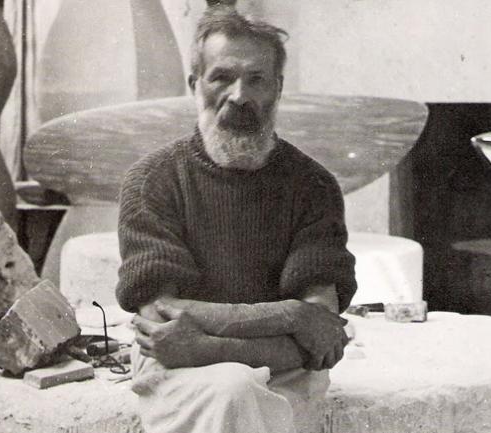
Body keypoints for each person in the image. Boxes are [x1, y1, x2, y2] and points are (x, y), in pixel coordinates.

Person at [116, 6, 356, 433]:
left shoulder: (314, 186)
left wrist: (208, 346)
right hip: (179, 369)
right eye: (222, 77)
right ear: (195, 85)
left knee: (238, 387)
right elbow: (161, 320)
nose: (240, 96)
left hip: (281, 369)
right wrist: (292, 316)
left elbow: (322, 334)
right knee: (231, 389)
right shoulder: (152, 181)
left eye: (257, 79)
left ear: (278, 88)